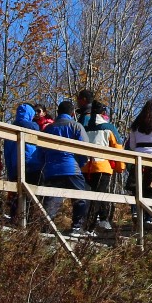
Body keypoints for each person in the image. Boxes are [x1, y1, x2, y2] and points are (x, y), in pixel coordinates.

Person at [39, 99, 84, 231]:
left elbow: (41, 149)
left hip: (51, 169)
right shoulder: (76, 126)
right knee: (81, 198)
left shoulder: (48, 128)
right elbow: (85, 149)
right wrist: (80, 164)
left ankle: (44, 229)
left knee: (51, 200)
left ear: (58, 112)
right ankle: (77, 227)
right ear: (72, 113)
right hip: (71, 168)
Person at [80, 100, 122, 231]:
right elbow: (118, 147)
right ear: (103, 113)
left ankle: (97, 222)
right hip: (102, 166)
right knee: (98, 196)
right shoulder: (108, 128)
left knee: (90, 196)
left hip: (86, 166)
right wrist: (120, 167)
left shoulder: (84, 128)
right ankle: (90, 227)